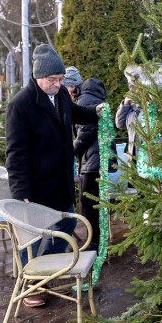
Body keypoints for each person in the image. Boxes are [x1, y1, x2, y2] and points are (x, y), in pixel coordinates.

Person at [5, 43, 102, 307]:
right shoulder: (21, 105)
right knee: (34, 237)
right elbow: (15, 154)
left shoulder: (59, 96)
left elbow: (75, 113)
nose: (57, 84)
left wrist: (95, 112)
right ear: (38, 77)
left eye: (60, 80)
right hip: (36, 186)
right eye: (52, 80)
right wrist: (21, 193)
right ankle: (32, 284)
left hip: (61, 182)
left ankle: (45, 273)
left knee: (67, 225)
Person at [73, 77, 109, 248]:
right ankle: (97, 241)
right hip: (100, 160)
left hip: (93, 163)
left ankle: (93, 243)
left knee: (88, 203)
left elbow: (85, 131)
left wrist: (71, 151)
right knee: (96, 203)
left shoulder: (85, 99)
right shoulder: (98, 99)